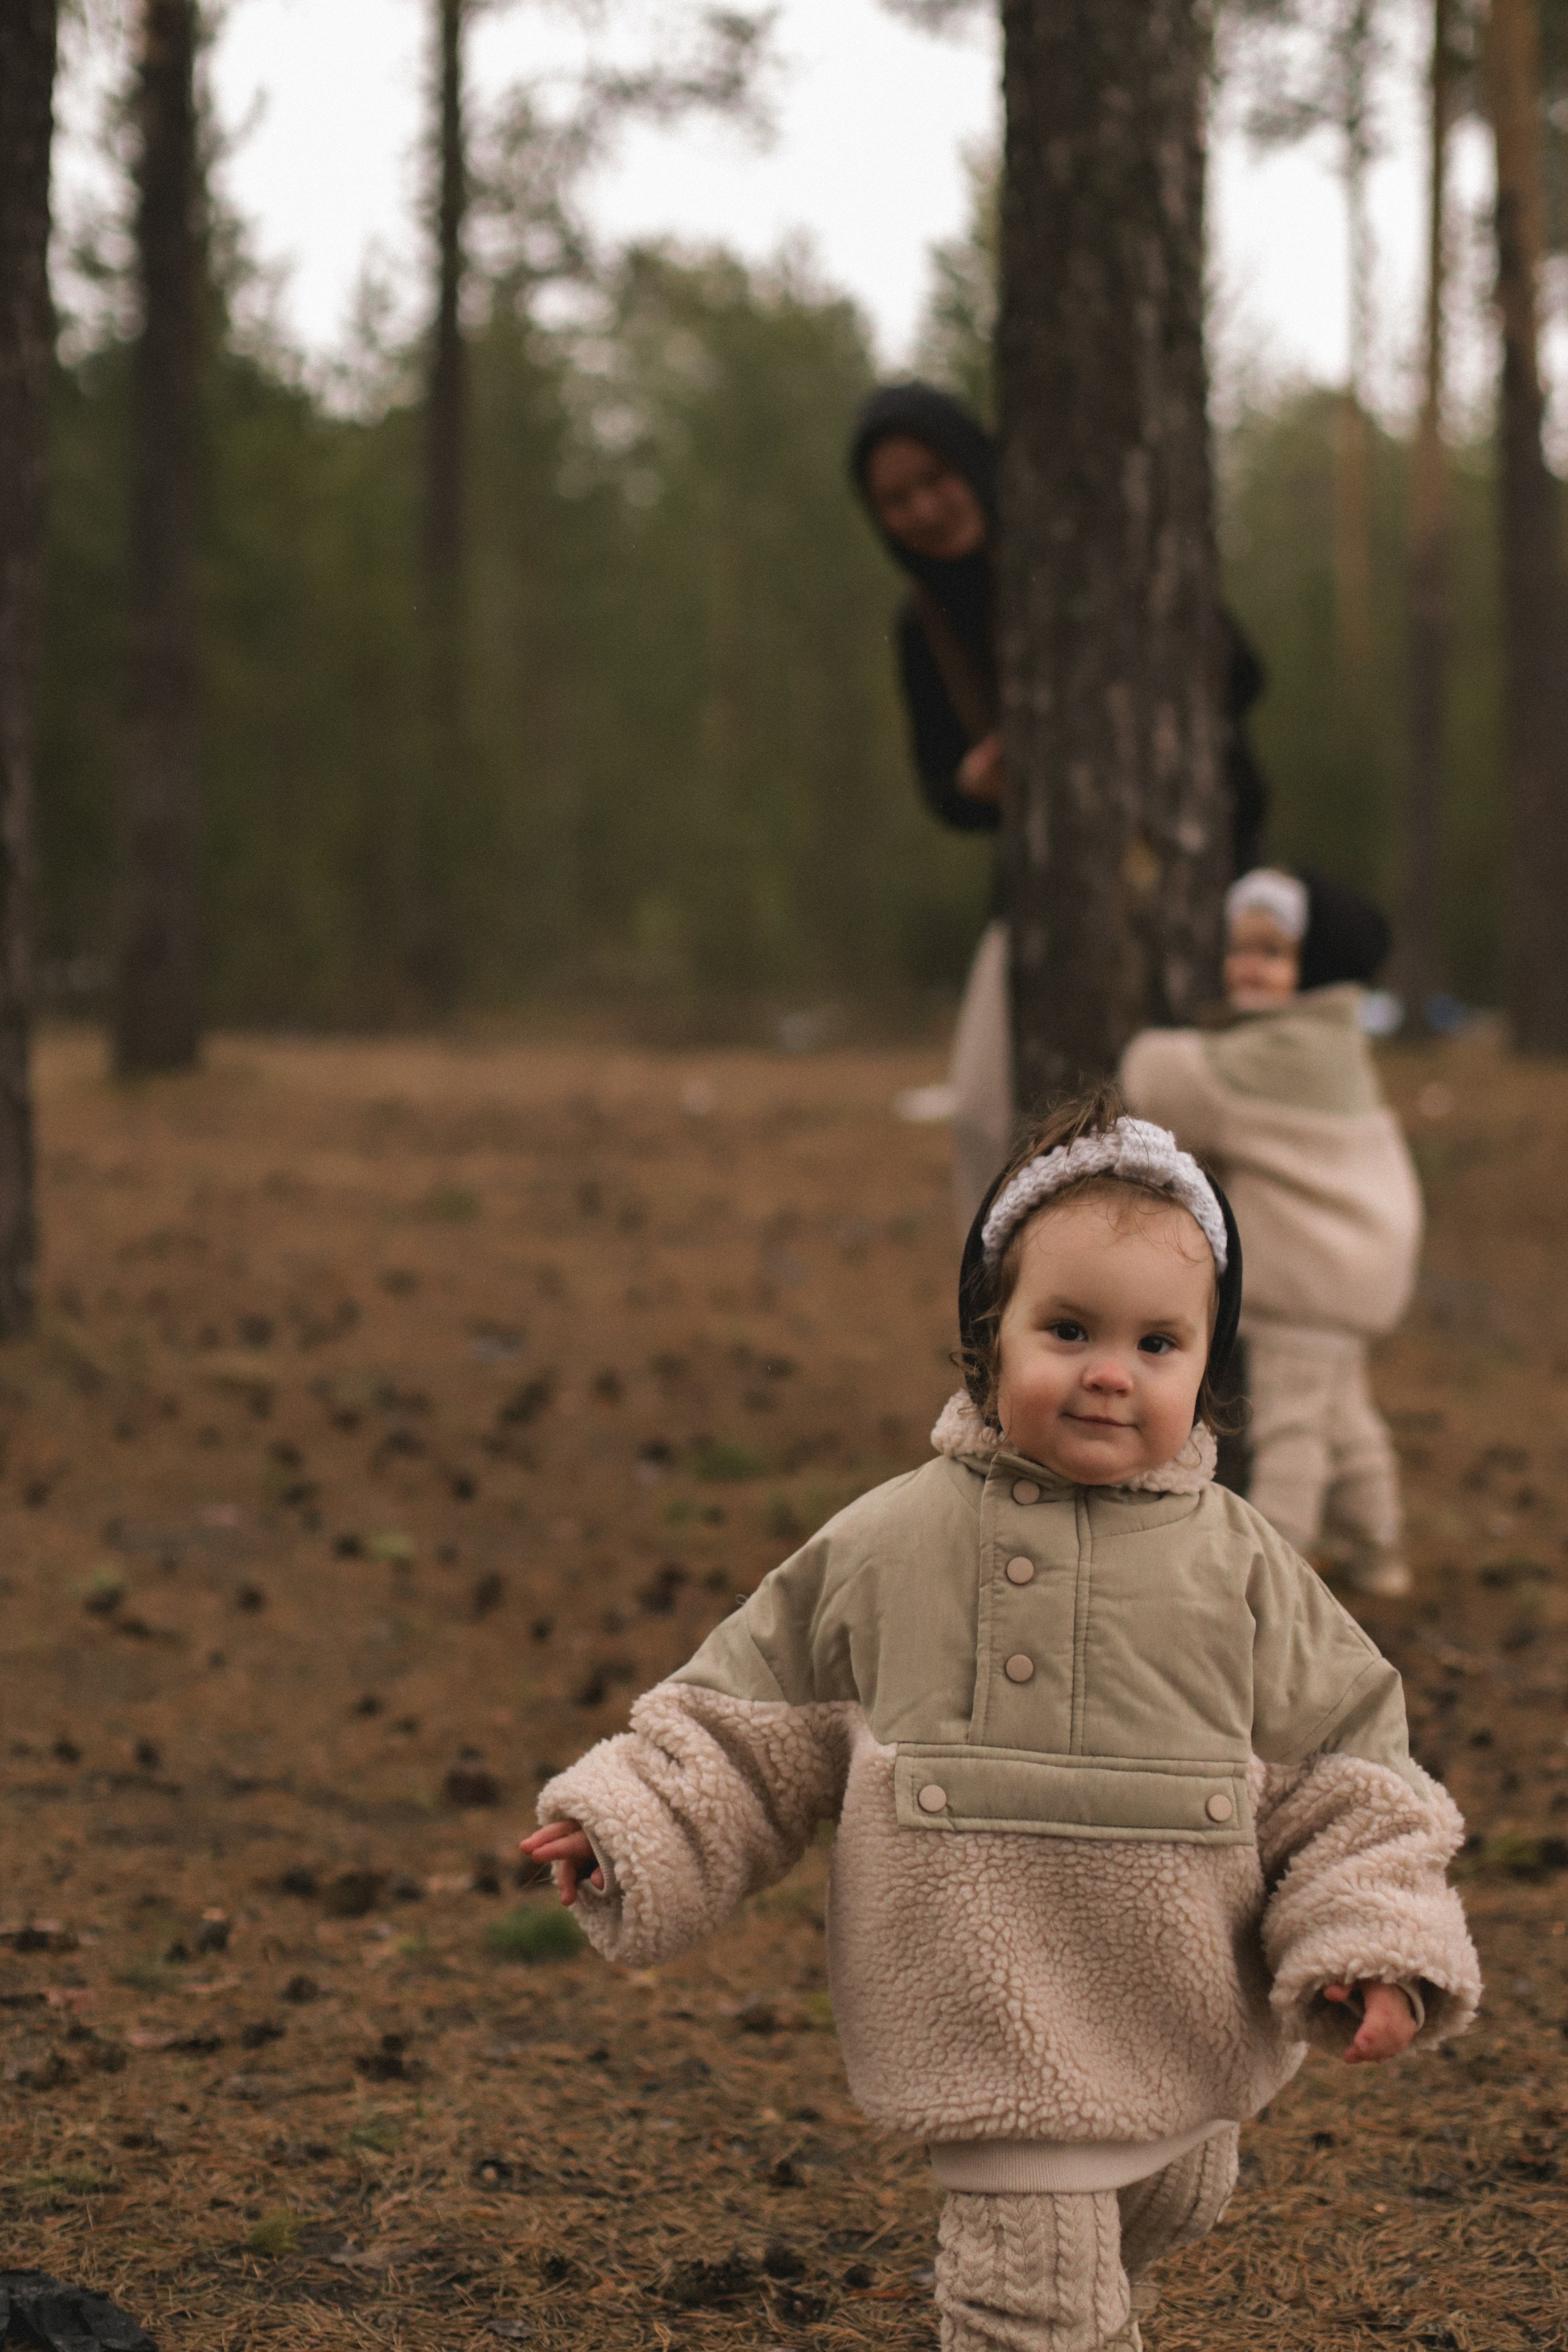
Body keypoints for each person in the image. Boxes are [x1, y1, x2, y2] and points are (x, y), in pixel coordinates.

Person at [522, 1088, 1477, 2352]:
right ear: (990, 1339)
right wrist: (629, 1820)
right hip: (984, 2017)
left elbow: (1347, 1771)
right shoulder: (895, 1540)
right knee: (1030, 2304)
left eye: (1156, 1345)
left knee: (1154, 2218)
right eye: (1067, 1328)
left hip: (1179, 2014)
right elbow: (752, 1723)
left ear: (1206, 1371)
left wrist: (1371, 1942)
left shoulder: (1243, 1566)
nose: (1105, 1372)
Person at [848, 380, 1272, 1237]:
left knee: (1195, 1126)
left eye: (936, 478)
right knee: (980, 1110)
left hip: (1203, 871)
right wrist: (976, 782)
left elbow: (1243, 672)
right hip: (1042, 893)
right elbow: (941, 790)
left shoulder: (1082, 554)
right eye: (896, 500)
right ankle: (1002, 1319)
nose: (925, 509)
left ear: (975, 460)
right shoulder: (920, 628)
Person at [1120, 867, 1421, 1596]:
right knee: (1345, 1418)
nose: (1247, 968)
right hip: (1356, 1268)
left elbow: (1163, 1079)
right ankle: (1380, 1547)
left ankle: (1275, 1572)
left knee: (1292, 1428)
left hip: (1309, 1276)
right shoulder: (1331, 1042)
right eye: (1241, 947)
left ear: (1314, 968)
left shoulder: (1282, 1052)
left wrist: (1141, 1040)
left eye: (1273, 953)